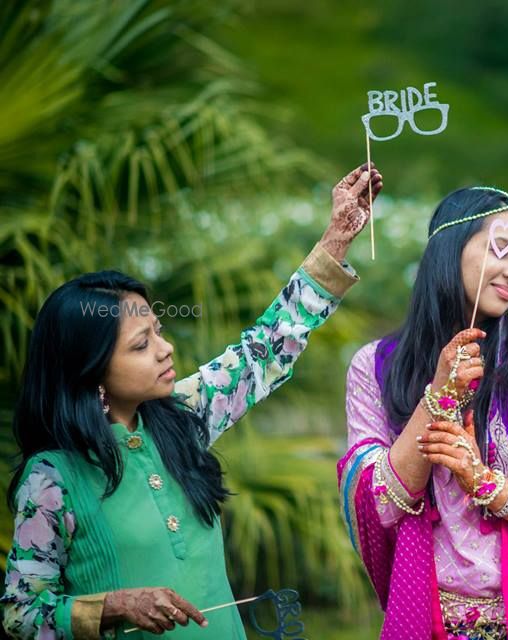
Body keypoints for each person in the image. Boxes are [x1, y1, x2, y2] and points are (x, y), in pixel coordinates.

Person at [2, 164, 382, 639]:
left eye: (158, 332)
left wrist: (337, 238)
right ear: (91, 370)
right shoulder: (51, 480)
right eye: (141, 345)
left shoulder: (184, 415)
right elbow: (21, 615)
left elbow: (262, 349)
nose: (165, 349)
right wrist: (113, 607)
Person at [338, 187, 508, 640]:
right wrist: (440, 395)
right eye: (502, 248)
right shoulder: (375, 366)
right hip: (424, 614)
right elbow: (381, 506)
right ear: (448, 250)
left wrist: (483, 481)